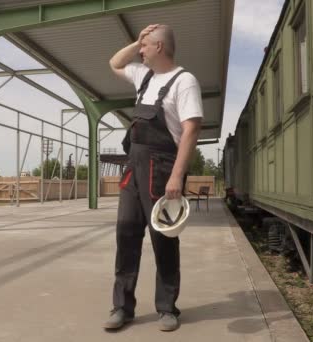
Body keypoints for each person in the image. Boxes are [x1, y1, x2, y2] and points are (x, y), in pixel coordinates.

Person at [103, 24, 203, 331]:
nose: (140, 51)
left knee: (164, 239)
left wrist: (176, 176)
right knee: (126, 234)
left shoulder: (184, 81)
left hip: (162, 169)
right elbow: (114, 63)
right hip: (134, 168)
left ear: (159, 47)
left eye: (145, 46)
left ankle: (167, 308)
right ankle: (122, 307)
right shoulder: (142, 76)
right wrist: (136, 42)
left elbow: (191, 130)